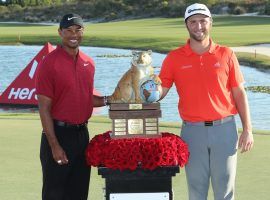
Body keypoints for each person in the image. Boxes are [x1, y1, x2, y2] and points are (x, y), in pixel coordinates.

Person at [159, 3, 254, 200]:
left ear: (211, 23)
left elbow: (239, 94)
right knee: (196, 191)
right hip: (192, 132)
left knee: (225, 191)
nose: (198, 26)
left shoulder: (226, 54)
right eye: (193, 22)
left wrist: (248, 129)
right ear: (187, 25)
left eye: (203, 21)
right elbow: (161, 91)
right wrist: (145, 89)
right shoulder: (174, 58)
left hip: (225, 129)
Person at [35, 13, 108, 200]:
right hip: (58, 134)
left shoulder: (88, 63)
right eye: (68, 30)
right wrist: (54, 145)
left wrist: (111, 99)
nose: (73, 34)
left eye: (77, 30)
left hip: (82, 136)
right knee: (55, 195)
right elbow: (44, 108)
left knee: (79, 193)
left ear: (83, 32)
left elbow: (85, 98)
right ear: (60, 32)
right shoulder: (49, 63)